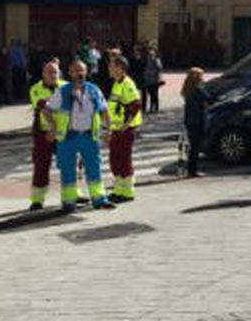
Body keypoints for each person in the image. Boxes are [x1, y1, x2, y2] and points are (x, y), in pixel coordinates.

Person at [43, 59, 114, 212]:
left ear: (86, 72)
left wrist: (109, 131)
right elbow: (46, 110)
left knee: (94, 168)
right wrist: (53, 127)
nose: (79, 74)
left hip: (89, 137)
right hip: (68, 138)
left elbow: (104, 111)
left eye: (81, 70)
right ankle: (69, 203)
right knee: (68, 170)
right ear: (69, 73)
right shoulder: (62, 91)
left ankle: (99, 199)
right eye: (75, 71)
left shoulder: (94, 90)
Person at [27, 61, 65, 211]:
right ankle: (38, 199)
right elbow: (44, 109)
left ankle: (74, 193)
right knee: (41, 165)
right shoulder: (36, 89)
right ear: (43, 74)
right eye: (49, 72)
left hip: (63, 133)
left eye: (55, 72)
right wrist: (53, 128)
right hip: (44, 133)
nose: (53, 75)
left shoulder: (65, 86)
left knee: (70, 164)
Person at [106, 55, 143, 203]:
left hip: (124, 130)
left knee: (123, 160)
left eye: (112, 66)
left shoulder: (127, 84)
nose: (109, 69)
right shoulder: (117, 83)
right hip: (117, 129)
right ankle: (119, 190)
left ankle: (126, 192)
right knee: (115, 160)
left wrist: (125, 126)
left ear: (120, 68)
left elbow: (135, 105)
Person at [181, 68, 209, 178]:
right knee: (196, 147)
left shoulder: (187, 89)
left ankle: (190, 169)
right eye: (201, 76)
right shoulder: (198, 89)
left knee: (193, 145)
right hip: (198, 120)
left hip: (189, 120)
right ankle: (193, 170)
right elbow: (208, 98)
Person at [143, 47, 163, 114]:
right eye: (149, 54)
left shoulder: (156, 60)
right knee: (150, 93)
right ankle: (152, 107)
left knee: (154, 94)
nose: (150, 56)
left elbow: (159, 69)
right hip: (148, 80)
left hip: (154, 80)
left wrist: (154, 73)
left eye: (152, 54)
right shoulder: (146, 61)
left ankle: (155, 107)